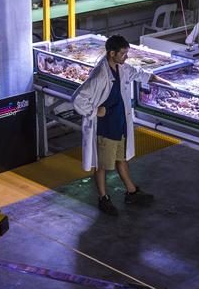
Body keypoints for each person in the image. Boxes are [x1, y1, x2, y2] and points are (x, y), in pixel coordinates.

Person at [71, 34, 172, 216]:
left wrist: (165, 82)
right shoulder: (100, 75)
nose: (126, 57)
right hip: (105, 127)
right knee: (102, 165)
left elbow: (140, 74)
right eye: (123, 54)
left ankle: (131, 192)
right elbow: (78, 99)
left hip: (119, 123)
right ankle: (103, 198)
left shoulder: (121, 67)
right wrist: (95, 111)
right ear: (112, 53)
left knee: (121, 158)